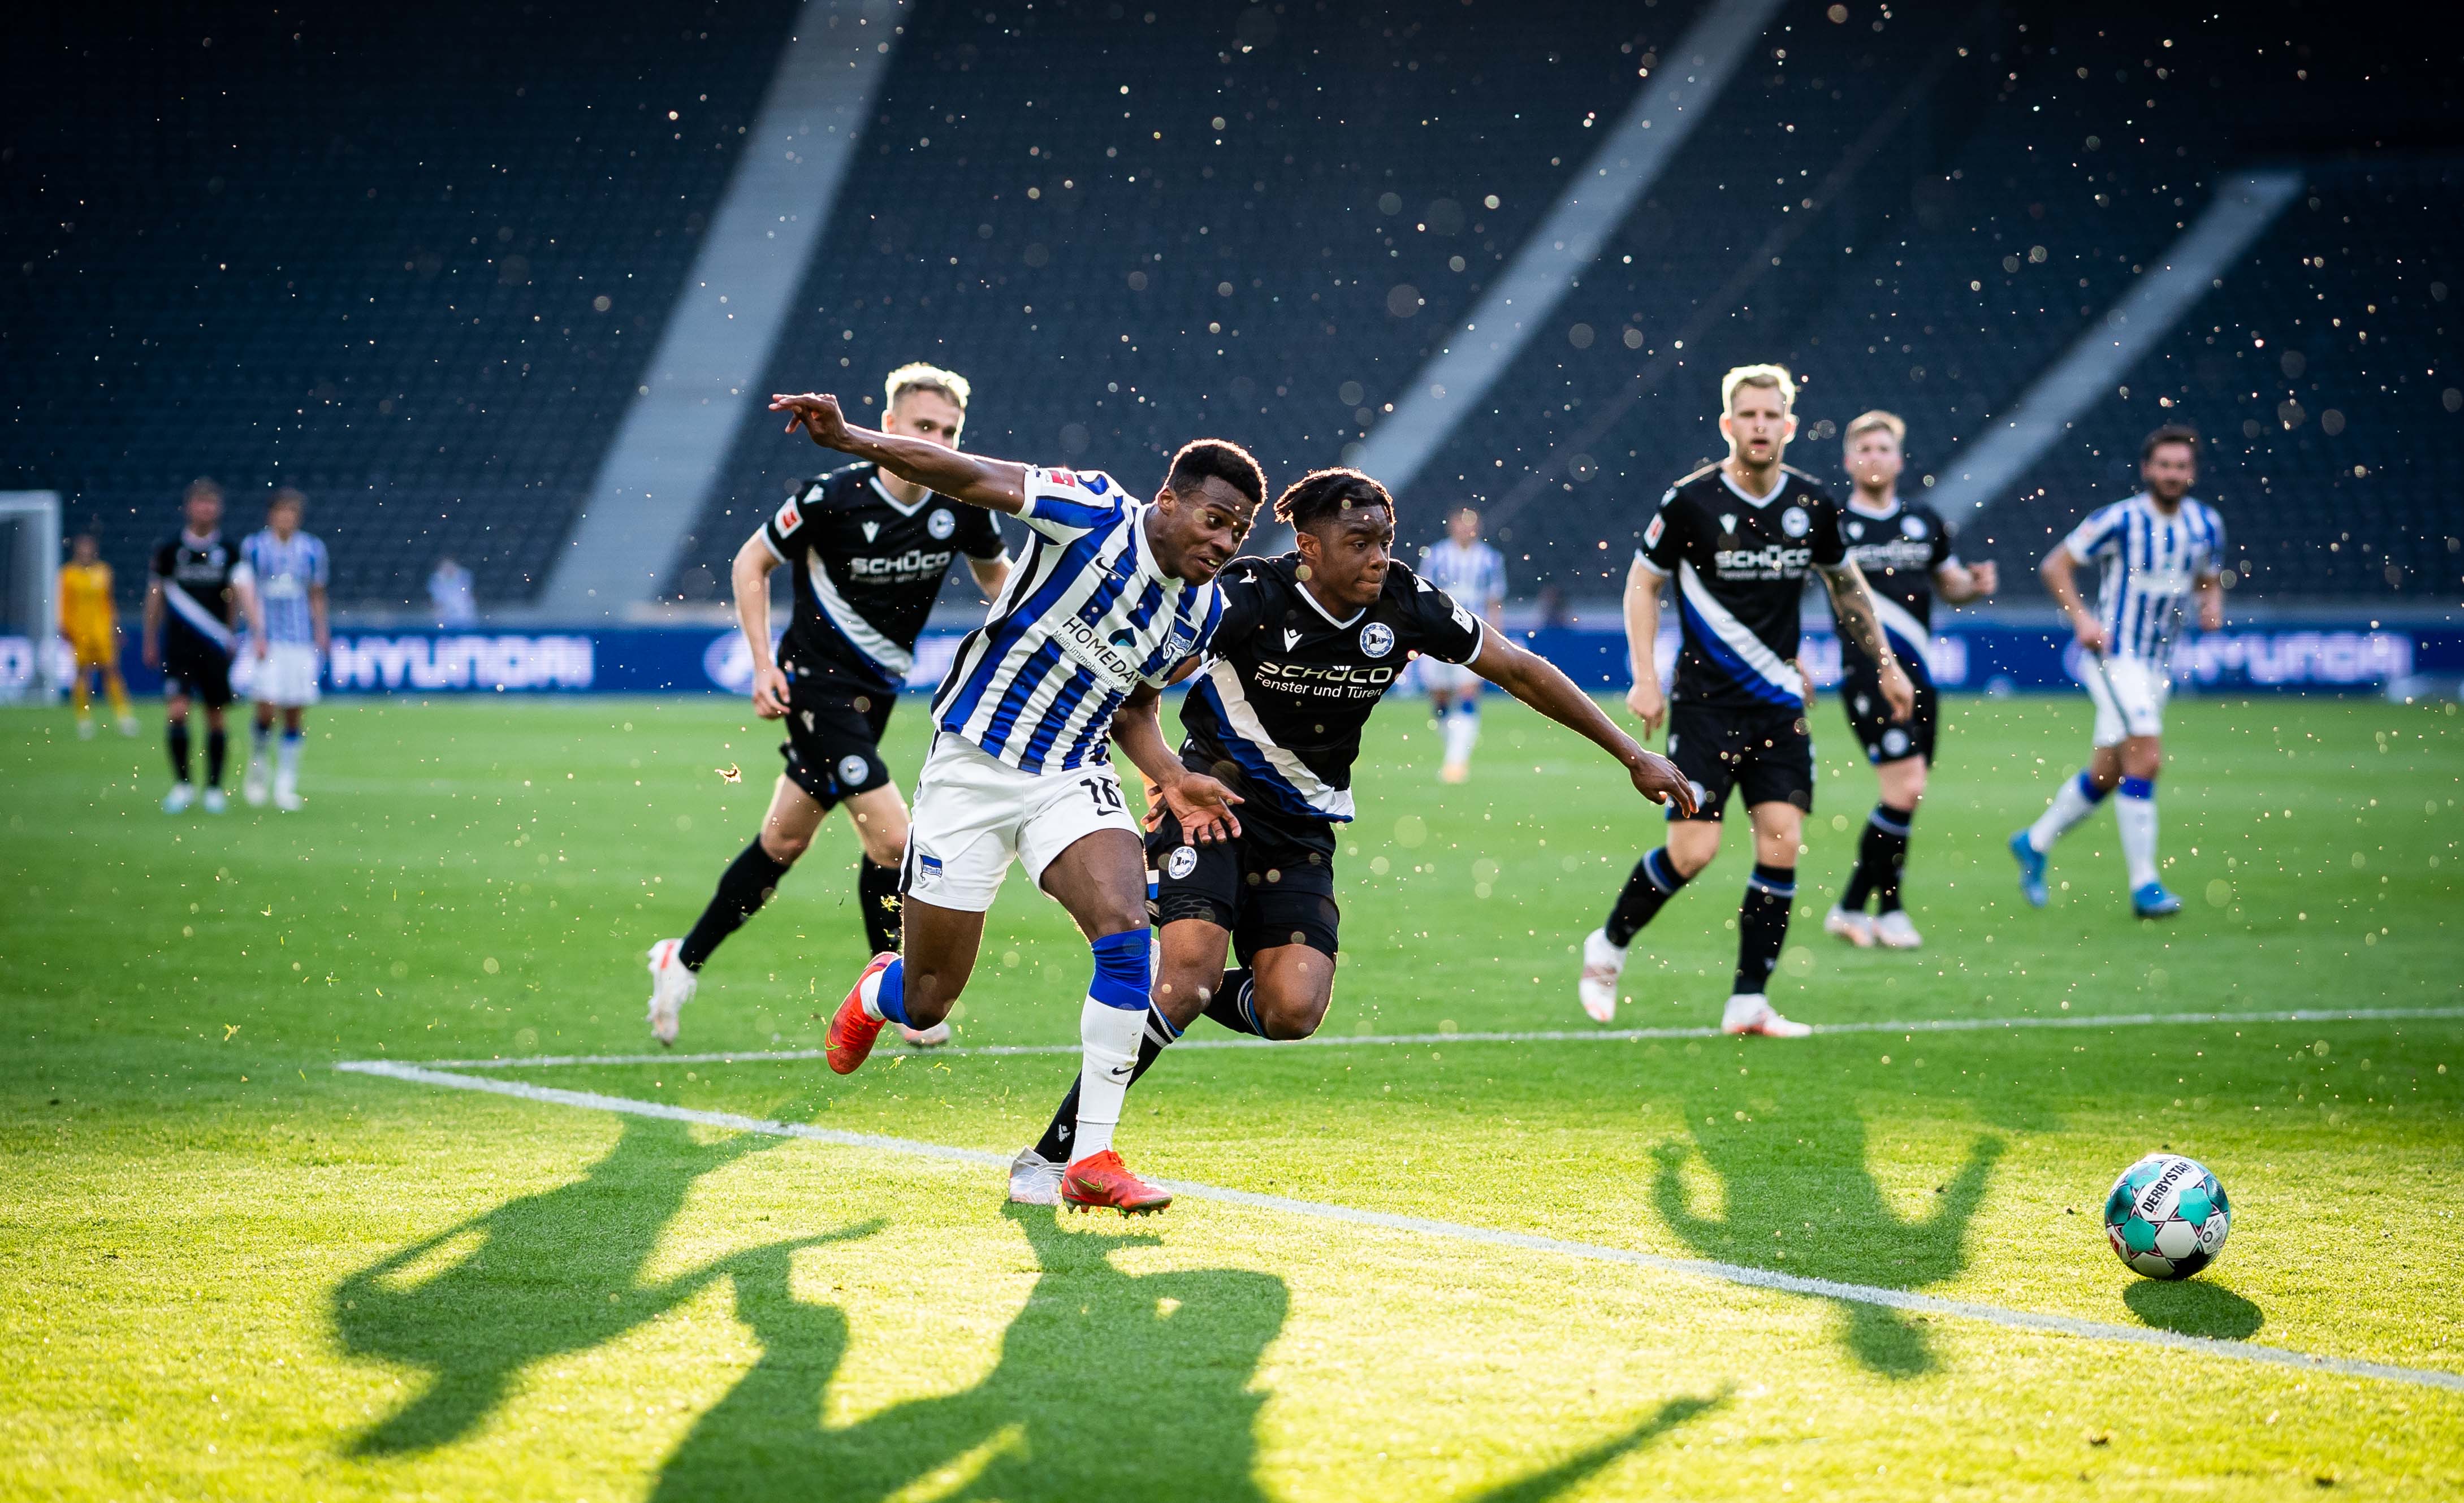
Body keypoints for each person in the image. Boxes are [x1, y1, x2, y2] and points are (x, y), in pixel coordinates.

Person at [1004, 469, 1696, 1205]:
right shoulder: (1246, 596)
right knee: (1190, 973)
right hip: (1213, 807)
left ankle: (1174, 979)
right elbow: (1135, 696)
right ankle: (1052, 1158)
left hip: (1304, 827)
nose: (1376, 557)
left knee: (1291, 1010)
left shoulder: (1405, 600)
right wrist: (1170, 775)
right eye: (1357, 542)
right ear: (1307, 545)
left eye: (1384, 541)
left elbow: (1519, 669)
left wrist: (1632, 752)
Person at [770, 388, 1261, 1216]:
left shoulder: (1200, 612)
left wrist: (1170, 775)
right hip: (969, 767)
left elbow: (1135, 708)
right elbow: (967, 474)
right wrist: (851, 436)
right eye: (1213, 520)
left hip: (1068, 774)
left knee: (1124, 933)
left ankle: (1092, 1155)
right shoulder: (1094, 509)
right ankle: (876, 992)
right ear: (1167, 500)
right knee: (929, 998)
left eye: (1239, 532)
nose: (1223, 542)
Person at [647, 365, 1012, 1049]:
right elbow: (749, 563)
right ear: (891, 426)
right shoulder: (833, 495)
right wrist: (760, 664)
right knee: (896, 839)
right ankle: (898, 997)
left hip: (874, 694)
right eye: (924, 427)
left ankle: (680, 959)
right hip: (813, 685)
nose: (937, 440)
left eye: (950, 431)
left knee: (784, 841)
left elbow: (1000, 584)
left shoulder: (961, 503)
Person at [1579, 365, 1913, 1038]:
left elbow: (1846, 589)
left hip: (1779, 707)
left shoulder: (1812, 505)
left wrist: (1885, 664)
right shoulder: (1689, 502)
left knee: (1781, 843)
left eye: (1772, 416)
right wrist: (1642, 675)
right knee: (1693, 850)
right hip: (1703, 705)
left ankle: (1747, 1002)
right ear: (1728, 424)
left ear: (1788, 426)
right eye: (1748, 415)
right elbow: (1641, 587)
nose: (1760, 426)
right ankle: (1608, 944)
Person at [2011, 425, 2226, 917]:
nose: (2172, 475)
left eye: (2181, 467)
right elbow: (2054, 566)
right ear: (2148, 469)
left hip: (2157, 664)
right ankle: (2145, 885)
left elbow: (2209, 578)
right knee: (2146, 756)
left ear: (2192, 473)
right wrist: (2083, 618)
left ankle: (2034, 841)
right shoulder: (2120, 519)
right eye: (2164, 465)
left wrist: (2211, 604)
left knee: (2109, 772)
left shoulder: (2206, 525)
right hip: (2115, 656)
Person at [1819, 413, 1996, 950]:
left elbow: (1951, 586)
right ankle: (1885, 910)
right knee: (1907, 787)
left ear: (1899, 459)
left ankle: (1855, 907)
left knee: (1904, 796)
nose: (1875, 457)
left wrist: (1974, 586)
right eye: (1865, 449)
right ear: (1850, 461)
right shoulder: (1834, 524)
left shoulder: (1924, 522)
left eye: (1884, 448)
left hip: (1922, 675)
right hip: (1867, 675)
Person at [144, 479, 254, 815]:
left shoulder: (230, 551)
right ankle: (182, 785)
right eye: (200, 503)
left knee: (216, 717)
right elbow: (155, 596)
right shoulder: (169, 550)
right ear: (188, 507)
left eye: (211, 504)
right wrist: (150, 637)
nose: (205, 509)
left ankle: (214, 789)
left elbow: (237, 596)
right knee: (177, 712)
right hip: (179, 646)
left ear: (218, 509)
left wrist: (239, 634)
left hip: (216, 645)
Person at [236, 489, 330, 812]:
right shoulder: (253, 547)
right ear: (271, 514)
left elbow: (317, 593)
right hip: (268, 640)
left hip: (300, 641)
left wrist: (322, 631)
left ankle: (286, 784)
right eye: (281, 511)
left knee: (294, 712)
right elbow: (245, 591)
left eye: (292, 511)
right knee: (266, 707)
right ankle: (259, 767)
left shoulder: (313, 549)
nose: (286, 517)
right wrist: (255, 631)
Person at [1417, 506, 1507, 783]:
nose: (1466, 530)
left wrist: (1497, 637)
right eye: (1461, 524)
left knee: (1468, 694)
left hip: (1473, 636)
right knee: (1441, 699)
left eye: (1471, 525)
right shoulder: (1436, 555)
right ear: (1451, 527)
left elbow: (1494, 601)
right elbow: (1421, 593)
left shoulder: (1490, 559)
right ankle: (1454, 750)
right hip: (1436, 637)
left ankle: (1456, 761)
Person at [58, 532, 137, 738]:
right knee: (82, 672)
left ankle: (124, 717)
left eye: (89, 547)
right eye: (82, 547)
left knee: (112, 670)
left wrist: (115, 628)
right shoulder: (68, 574)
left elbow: (108, 603)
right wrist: (65, 627)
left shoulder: (103, 571)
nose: (86, 551)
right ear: (76, 550)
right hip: (80, 631)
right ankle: (84, 720)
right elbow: (65, 604)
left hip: (101, 629)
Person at [429, 556, 477, 626]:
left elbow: (466, 595)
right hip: (445, 612)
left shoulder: (464, 576)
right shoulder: (435, 579)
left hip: (463, 611)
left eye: (450, 565)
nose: (448, 569)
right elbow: (437, 600)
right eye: (446, 566)